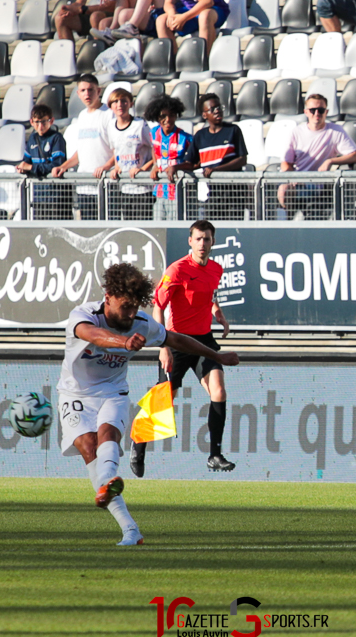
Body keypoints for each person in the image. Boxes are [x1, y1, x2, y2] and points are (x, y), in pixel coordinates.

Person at [57, 262, 239, 546]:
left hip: (112, 391)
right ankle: (130, 529)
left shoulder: (141, 323)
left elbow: (177, 339)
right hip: (74, 394)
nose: (130, 314)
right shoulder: (84, 314)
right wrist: (123, 342)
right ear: (108, 298)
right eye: (125, 306)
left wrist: (217, 355)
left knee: (108, 436)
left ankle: (107, 483)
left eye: (134, 307)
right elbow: (91, 335)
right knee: (88, 447)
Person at [135, 220, 234, 477]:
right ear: (190, 241)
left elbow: (209, 295)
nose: (203, 244)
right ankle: (139, 442)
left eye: (207, 239)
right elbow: (158, 305)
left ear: (213, 242)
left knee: (219, 390)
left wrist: (218, 313)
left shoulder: (216, 269)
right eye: (198, 239)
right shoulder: (177, 270)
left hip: (204, 341)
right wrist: (162, 345)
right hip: (177, 341)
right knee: (163, 403)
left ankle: (215, 454)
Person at [278, 93, 356, 220]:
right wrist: (292, 177)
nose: (316, 113)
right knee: (283, 189)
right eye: (312, 110)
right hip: (298, 183)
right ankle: (289, 224)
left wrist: (330, 161)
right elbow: (286, 163)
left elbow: (354, 155)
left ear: (326, 112)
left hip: (321, 185)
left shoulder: (335, 131)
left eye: (320, 110)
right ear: (306, 112)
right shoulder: (296, 132)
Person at [176, 93, 249, 219]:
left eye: (219, 107)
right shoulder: (200, 136)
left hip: (236, 194)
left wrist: (216, 170)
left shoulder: (233, 130)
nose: (217, 111)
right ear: (204, 115)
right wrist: (175, 167)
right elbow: (192, 164)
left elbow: (242, 159)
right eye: (213, 109)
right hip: (214, 193)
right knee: (211, 228)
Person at [50, 74, 112, 221]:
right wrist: (63, 167)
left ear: (99, 91)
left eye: (91, 90)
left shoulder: (109, 115)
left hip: (106, 185)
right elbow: (82, 150)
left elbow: (117, 149)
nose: (87, 94)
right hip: (85, 185)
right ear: (78, 93)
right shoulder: (82, 116)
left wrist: (106, 167)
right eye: (83, 90)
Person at [101, 87, 153, 220]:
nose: (120, 105)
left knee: (142, 228)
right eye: (115, 101)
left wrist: (143, 169)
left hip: (142, 189)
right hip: (124, 188)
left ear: (130, 104)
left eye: (123, 101)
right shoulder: (111, 126)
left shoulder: (140, 125)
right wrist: (116, 168)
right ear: (110, 106)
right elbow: (116, 150)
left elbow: (156, 151)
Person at [16, 103, 68, 220]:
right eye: (37, 122)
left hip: (56, 196)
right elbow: (27, 160)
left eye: (44, 122)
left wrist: (31, 168)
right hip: (38, 195)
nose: (40, 126)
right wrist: (22, 168)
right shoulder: (33, 139)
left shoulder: (57, 138)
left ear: (51, 121)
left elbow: (57, 165)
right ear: (31, 122)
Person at [145, 94, 192, 220]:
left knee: (173, 229)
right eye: (163, 116)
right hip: (159, 191)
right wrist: (155, 165)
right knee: (158, 229)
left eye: (171, 115)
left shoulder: (185, 138)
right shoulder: (153, 133)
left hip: (177, 192)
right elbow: (154, 149)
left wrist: (177, 167)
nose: (168, 120)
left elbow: (194, 162)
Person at [154, 0, 229, 57]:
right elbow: (168, 3)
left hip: (213, 10)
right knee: (161, 20)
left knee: (204, 16)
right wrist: (172, 15)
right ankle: (171, 62)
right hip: (189, 11)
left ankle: (204, 59)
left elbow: (208, 2)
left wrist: (184, 17)